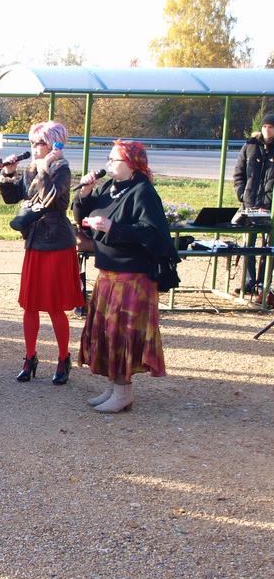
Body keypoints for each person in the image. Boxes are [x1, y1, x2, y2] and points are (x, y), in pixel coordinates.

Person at [75, 140, 175, 414]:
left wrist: (112, 227)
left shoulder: (143, 191)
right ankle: (113, 386)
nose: (108, 164)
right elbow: (84, 215)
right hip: (109, 271)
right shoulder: (111, 187)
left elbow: (154, 235)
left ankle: (123, 391)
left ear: (131, 164)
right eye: (108, 158)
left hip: (132, 278)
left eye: (114, 159)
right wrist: (85, 194)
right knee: (106, 332)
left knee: (122, 334)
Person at [0, 121, 83, 384]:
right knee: (30, 305)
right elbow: (14, 199)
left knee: (55, 306)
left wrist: (45, 170)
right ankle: (30, 356)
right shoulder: (32, 168)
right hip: (35, 241)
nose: (35, 148)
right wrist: (10, 175)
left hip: (56, 242)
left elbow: (52, 200)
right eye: (33, 143)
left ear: (55, 145)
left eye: (40, 143)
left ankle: (62, 358)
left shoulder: (61, 168)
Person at [232, 112, 274, 295]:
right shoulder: (250, 146)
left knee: (268, 247)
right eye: (265, 126)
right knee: (247, 245)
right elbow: (238, 172)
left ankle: (262, 284)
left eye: (271, 127)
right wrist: (241, 194)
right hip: (249, 204)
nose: (267, 130)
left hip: (269, 207)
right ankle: (249, 282)